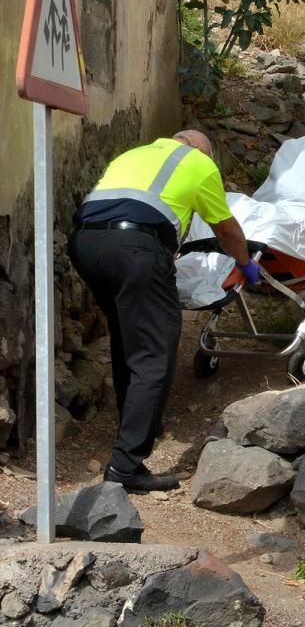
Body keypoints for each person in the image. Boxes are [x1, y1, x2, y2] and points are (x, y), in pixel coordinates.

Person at [68, 129, 260, 492]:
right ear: (203, 150)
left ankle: (138, 420)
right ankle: (126, 465)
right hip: (136, 248)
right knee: (155, 350)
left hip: (86, 245)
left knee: (128, 336)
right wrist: (245, 262)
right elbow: (227, 228)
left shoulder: (133, 154)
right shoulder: (200, 164)